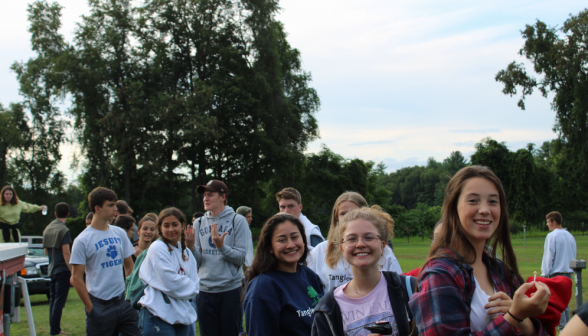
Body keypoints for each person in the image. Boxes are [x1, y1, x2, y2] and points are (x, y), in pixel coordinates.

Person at [409, 165, 551, 335]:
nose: (485, 210)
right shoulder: (440, 273)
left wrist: (524, 321)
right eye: (473, 200)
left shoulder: (500, 271)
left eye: (493, 201)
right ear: (453, 207)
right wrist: (513, 317)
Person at [312, 206, 416, 336]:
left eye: (369, 237)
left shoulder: (409, 289)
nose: (360, 244)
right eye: (351, 239)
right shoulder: (328, 308)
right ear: (342, 249)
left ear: (382, 246)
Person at [70, 187, 140, 336]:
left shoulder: (119, 233)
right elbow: (76, 278)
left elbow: (129, 266)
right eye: (110, 205)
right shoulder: (82, 240)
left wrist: (129, 295)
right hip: (99, 304)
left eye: (115, 204)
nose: (115, 208)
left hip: (123, 301)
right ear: (97, 208)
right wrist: (91, 309)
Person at [185, 179, 251, 336]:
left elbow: (241, 258)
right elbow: (199, 262)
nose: (205, 199)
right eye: (204, 195)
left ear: (223, 197)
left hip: (230, 291)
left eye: (210, 195)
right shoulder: (199, 222)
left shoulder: (237, 220)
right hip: (204, 292)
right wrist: (191, 247)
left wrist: (221, 247)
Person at [244, 213, 324, 336]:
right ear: (270, 247)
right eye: (282, 240)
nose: (291, 245)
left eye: (295, 237)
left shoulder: (309, 276)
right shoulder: (263, 288)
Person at [307, 191, 402, 292]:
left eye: (354, 212)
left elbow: (398, 286)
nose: (349, 217)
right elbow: (308, 288)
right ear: (336, 218)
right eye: (343, 214)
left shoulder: (382, 250)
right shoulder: (319, 251)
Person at [138, 208, 199, 336]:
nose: (171, 229)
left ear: (182, 226)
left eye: (175, 224)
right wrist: (188, 287)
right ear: (160, 228)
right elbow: (170, 282)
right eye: (166, 225)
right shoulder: (157, 247)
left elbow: (196, 283)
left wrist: (187, 287)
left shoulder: (186, 252)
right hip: (157, 314)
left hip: (180, 315)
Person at [541, 211, 577, 331]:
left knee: (557, 303)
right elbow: (574, 254)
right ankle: (567, 327)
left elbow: (549, 256)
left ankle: (562, 328)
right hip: (569, 272)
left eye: (548, 222)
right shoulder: (570, 235)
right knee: (565, 302)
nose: (547, 225)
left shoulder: (552, 236)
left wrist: (545, 273)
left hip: (556, 273)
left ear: (554, 222)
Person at [42, 202, 72, 336]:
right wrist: (73, 271)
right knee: (59, 302)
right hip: (62, 270)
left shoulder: (47, 229)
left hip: (51, 269)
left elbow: (46, 252)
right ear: (68, 214)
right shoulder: (64, 230)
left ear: (55, 214)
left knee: (53, 301)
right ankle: (55, 331)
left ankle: (55, 329)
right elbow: (66, 252)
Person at [236, 206, 254, 336]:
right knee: (243, 302)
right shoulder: (239, 229)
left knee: (247, 301)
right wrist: (245, 269)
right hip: (244, 270)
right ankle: (240, 330)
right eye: (248, 216)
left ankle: (246, 329)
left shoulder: (246, 229)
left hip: (249, 269)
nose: (251, 219)